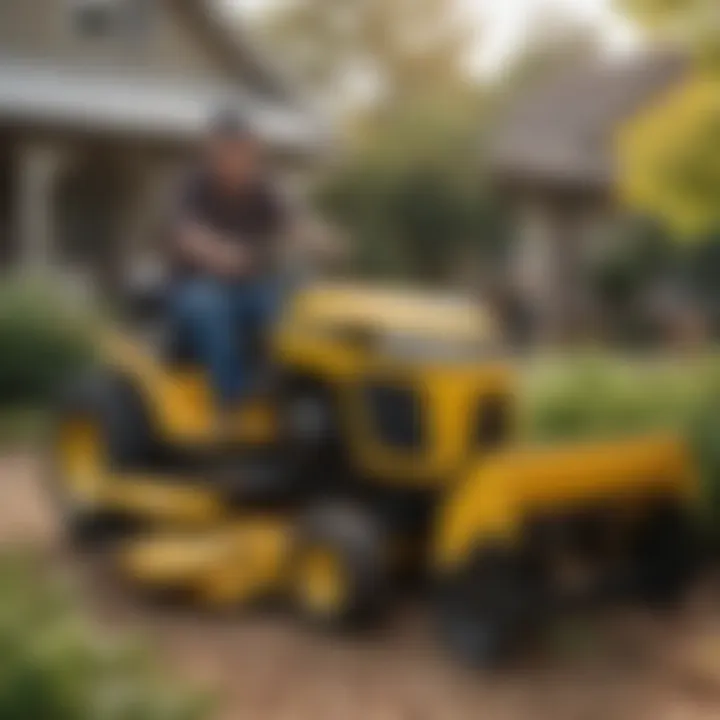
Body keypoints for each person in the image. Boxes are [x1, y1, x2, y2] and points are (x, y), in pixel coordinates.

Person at [168, 110, 296, 429]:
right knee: (211, 308)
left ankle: (284, 396)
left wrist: (325, 241)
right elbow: (186, 234)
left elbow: (292, 225)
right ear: (216, 151)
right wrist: (219, 253)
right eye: (234, 149)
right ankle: (229, 404)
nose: (242, 158)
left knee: (287, 309)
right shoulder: (194, 187)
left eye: (248, 150)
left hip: (248, 286)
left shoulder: (260, 190)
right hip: (195, 286)